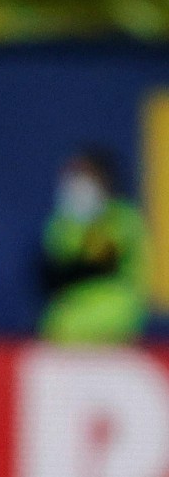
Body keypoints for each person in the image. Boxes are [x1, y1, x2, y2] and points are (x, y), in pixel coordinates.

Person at [39, 145, 150, 345]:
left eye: (86, 175)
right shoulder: (61, 224)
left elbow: (101, 261)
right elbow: (53, 277)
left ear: (105, 180)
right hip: (65, 328)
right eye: (74, 175)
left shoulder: (124, 219)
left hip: (113, 326)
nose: (78, 183)